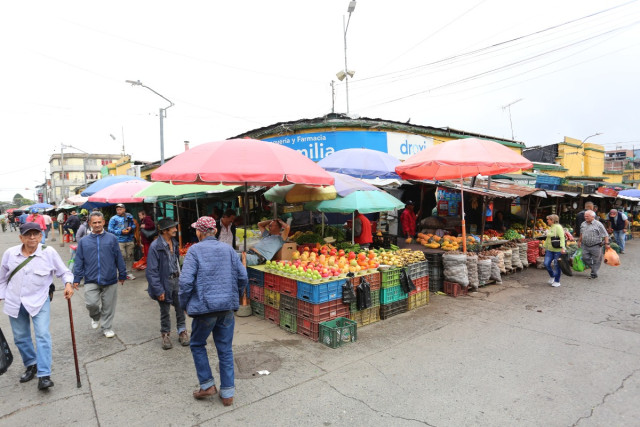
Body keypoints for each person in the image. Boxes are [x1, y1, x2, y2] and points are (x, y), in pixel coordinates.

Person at [179, 216, 248, 406]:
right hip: (226, 309)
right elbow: (243, 276)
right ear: (215, 231)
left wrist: (184, 304)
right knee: (225, 349)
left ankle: (207, 384)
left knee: (197, 344)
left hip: (205, 309)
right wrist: (235, 296)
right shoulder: (228, 250)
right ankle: (228, 394)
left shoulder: (194, 251)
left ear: (199, 232)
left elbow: (185, 283)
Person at [0, 222, 74, 391]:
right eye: (28, 234)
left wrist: (68, 284)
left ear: (41, 236)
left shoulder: (49, 252)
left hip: (39, 300)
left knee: (42, 335)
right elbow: (2, 279)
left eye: (35, 234)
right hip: (15, 301)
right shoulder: (10, 254)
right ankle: (31, 364)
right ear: (21, 237)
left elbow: (64, 272)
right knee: (20, 337)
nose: (32, 237)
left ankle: (44, 375)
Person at [73, 212, 127, 338]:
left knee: (108, 306)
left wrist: (122, 273)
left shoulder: (112, 238)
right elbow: (79, 260)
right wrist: (77, 278)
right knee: (91, 303)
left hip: (110, 278)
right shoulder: (84, 241)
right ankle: (95, 316)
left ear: (103, 222)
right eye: (94, 222)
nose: (97, 225)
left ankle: (107, 327)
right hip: (91, 278)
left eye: (99, 222)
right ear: (90, 223)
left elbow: (118, 257)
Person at [146, 218, 189, 350]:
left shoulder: (174, 243)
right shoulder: (155, 246)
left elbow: (176, 262)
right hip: (164, 282)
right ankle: (165, 334)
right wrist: (158, 290)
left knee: (180, 307)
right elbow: (152, 271)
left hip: (177, 280)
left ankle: (182, 331)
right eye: (173, 228)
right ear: (165, 231)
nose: (175, 229)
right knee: (164, 310)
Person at [577, 210, 610, 280]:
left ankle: (593, 274)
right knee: (585, 258)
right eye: (585, 216)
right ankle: (594, 268)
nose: (585, 217)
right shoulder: (583, 224)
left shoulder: (598, 224)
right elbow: (581, 233)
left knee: (596, 260)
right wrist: (579, 241)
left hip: (596, 245)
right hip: (585, 245)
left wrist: (607, 244)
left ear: (592, 217)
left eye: (587, 216)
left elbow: (605, 235)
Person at [108, 203, 136, 280]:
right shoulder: (113, 218)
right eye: (117, 209)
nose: (118, 211)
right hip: (119, 241)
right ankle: (121, 272)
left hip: (129, 239)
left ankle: (129, 273)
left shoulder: (129, 216)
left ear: (124, 209)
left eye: (120, 209)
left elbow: (134, 225)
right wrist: (120, 232)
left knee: (130, 256)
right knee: (122, 256)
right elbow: (110, 229)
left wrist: (130, 228)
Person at [542, 215, 566, 287]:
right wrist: (544, 247)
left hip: (557, 250)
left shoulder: (558, 227)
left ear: (552, 220)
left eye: (548, 219)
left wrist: (563, 248)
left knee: (557, 265)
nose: (547, 221)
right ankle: (552, 276)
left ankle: (557, 281)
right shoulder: (551, 227)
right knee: (546, 263)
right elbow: (548, 238)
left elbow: (562, 237)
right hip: (549, 250)